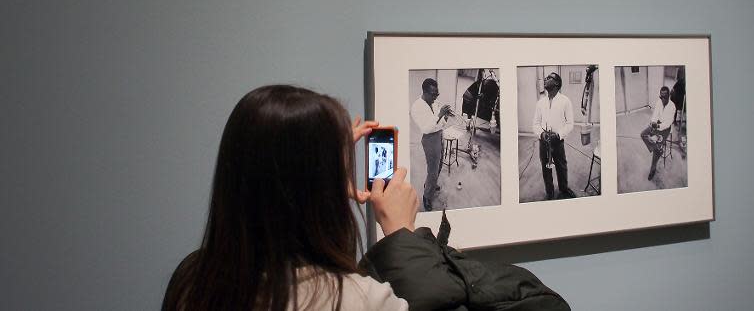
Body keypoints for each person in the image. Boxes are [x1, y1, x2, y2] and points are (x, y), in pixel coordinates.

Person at [163, 84, 570, 311]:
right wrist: (401, 234)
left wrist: (325, 158)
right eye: (341, 164)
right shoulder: (353, 299)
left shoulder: (194, 280)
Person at [409, 78, 451, 211]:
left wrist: (445, 117)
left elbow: (440, 124)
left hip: (439, 134)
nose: (436, 97)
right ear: (425, 92)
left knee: (439, 164)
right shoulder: (416, 107)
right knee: (432, 170)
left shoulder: (433, 102)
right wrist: (439, 115)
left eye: (437, 94)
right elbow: (426, 129)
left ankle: (431, 183)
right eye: (433, 94)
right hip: (429, 138)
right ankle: (427, 196)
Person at [533, 72, 576, 200]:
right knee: (545, 166)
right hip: (544, 141)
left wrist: (558, 135)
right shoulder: (540, 103)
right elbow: (535, 124)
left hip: (557, 141)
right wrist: (542, 134)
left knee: (561, 166)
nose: (546, 79)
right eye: (546, 77)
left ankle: (563, 189)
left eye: (550, 78)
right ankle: (549, 192)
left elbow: (570, 124)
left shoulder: (565, 101)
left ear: (557, 83)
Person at [641, 86, 676, 180]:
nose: (662, 99)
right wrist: (653, 123)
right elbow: (655, 115)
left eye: (664, 97)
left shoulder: (672, 107)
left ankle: (653, 169)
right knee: (643, 134)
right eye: (661, 97)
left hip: (666, 128)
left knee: (655, 152)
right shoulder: (659, 102)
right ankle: (657, 148)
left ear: (669, 96)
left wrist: (658, 127)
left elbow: (668, 123)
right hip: (657, 124)